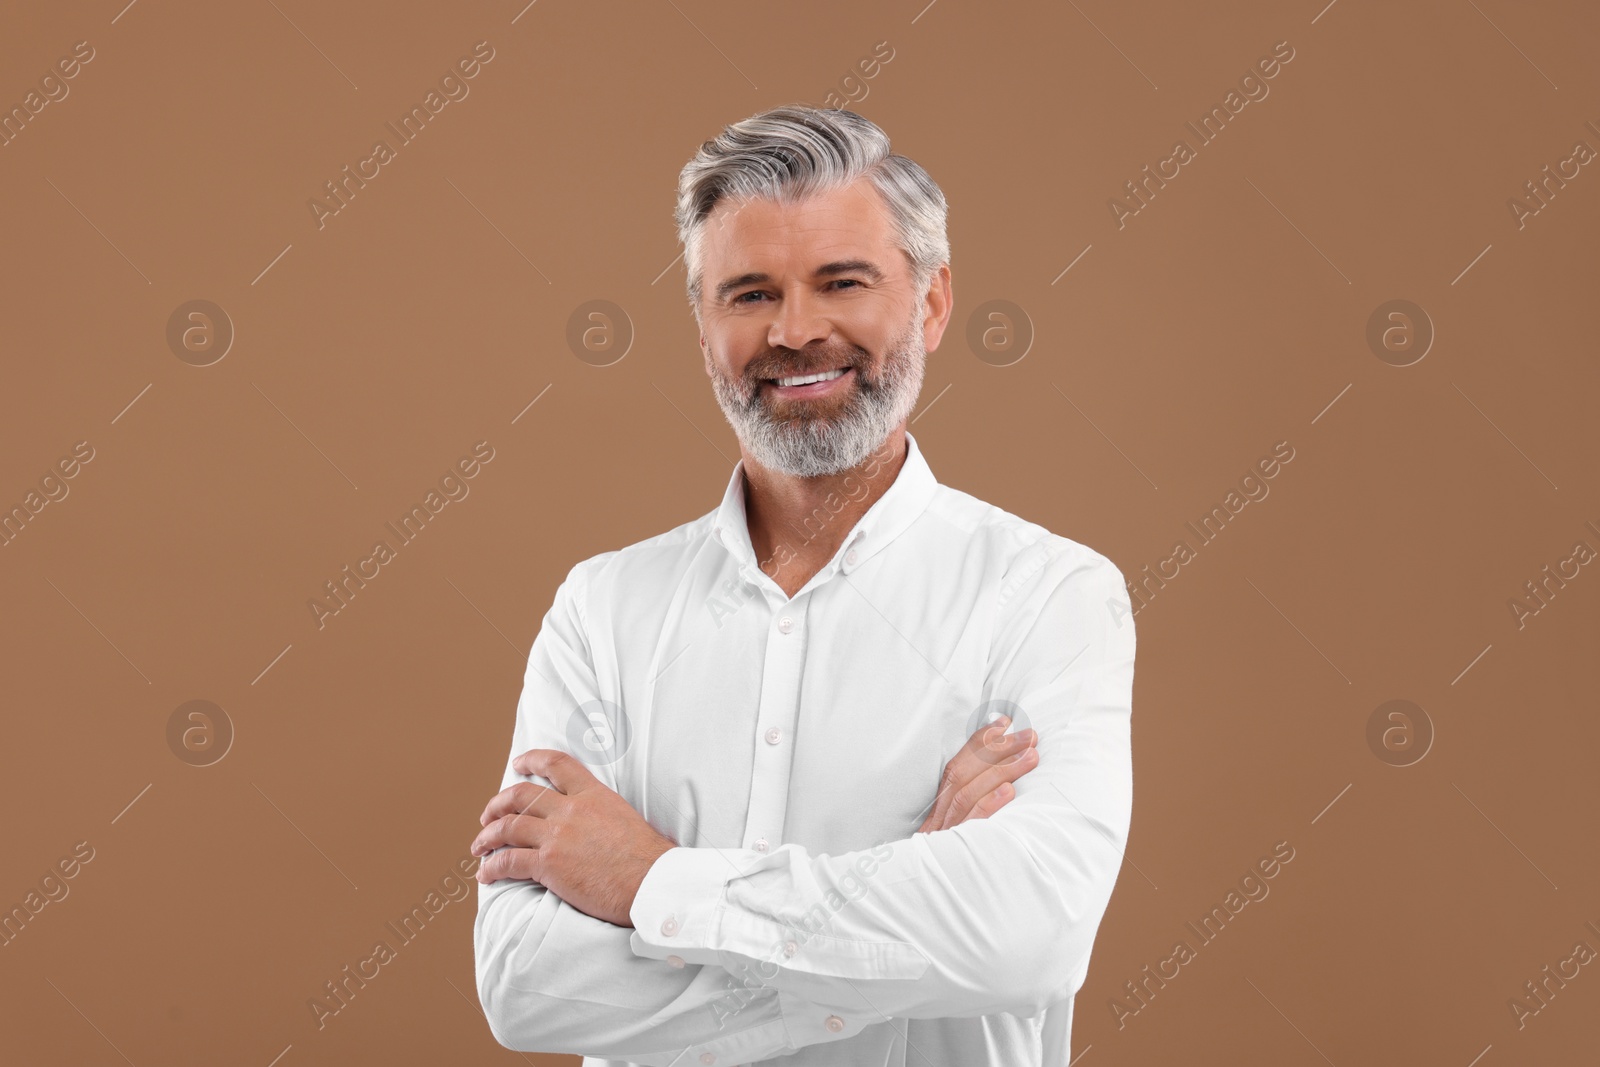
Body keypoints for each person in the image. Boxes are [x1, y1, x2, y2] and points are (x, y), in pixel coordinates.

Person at [470, 104, 1136, 1066]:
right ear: (702, 327)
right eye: (748, 294)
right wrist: (903, 910)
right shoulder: (601, 610)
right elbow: (526, 986)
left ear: (933, 302)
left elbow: (1030, 938)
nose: (796, 330)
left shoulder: (1048, 594)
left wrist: (651, 881)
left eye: (842, 282)